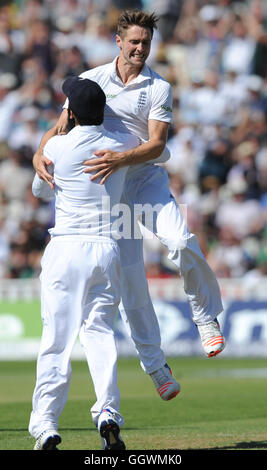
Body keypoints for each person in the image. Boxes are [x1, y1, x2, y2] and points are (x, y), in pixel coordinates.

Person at [33, 9, 225, 401]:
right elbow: (60, 127)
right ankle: (157, 368)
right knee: (131, 282)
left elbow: (156, 144)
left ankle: (205, 316)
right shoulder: (92, 79)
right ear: (118, 42)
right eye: (134, 42)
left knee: (182, 240)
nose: (140, 48)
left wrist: (121, 158)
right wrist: (40, 152)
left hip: (144, 177)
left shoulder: (159, 87)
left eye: (146, 42)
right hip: (112, 189)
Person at [29, 76, 141, 450]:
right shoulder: (121, 143)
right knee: (99, 334)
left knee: (57, 339)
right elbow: (156, 149)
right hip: (105, 250)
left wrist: (47, 142)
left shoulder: (58, 146)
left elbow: (39, 188)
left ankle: (45, 424)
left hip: (66, 249)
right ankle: (107, 412)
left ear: (71, 113)